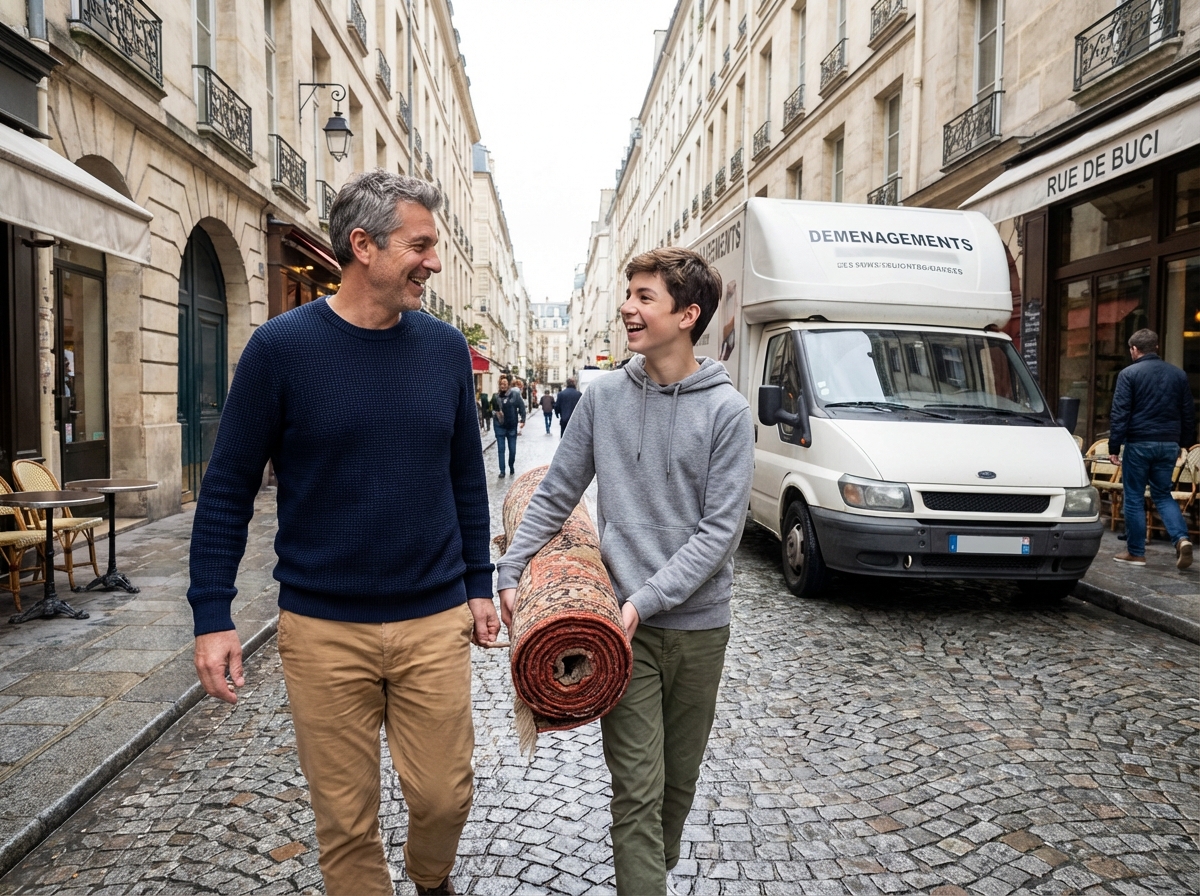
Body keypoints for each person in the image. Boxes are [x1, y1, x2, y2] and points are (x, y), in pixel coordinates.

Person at [187, 170, 499, 896]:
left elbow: (465, 481)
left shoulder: (447, 351)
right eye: (419, 244)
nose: (434, 260)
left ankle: (430, 879)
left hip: (433, 620)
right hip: (321, 630)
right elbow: (228, 486)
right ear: (363, 245)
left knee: (444, 797)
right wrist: (212, 613)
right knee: (345, 822)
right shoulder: (280, 349)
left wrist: (479, 586)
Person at [496, 247, 754, 895]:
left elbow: (719, 534)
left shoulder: (727, 414)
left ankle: (648, 874)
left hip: (698, 631)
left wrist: (647, 599)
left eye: (644, 297)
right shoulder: (604, 396)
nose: (626, 307)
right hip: (624, 631)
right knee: (635, 790)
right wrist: (510, 568)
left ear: (687, 314)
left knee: (676, 786)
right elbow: (558, 492)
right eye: (628, 294)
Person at [1109, 328, 1195, 569]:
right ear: (1156, 347)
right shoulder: (1178, 375)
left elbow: (1120, 413)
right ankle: (1181, 539)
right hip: (1169, 443)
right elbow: (1188, 413)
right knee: (1162, 494)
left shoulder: (1128, 374)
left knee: (1134, 497)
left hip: (1139, 442)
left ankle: (1136, 553)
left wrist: (1114, 446)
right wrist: (1184, 444)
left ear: (1134, 350)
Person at [493, 375, 526, 477]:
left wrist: (523, 419)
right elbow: (492, 410)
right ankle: (502, 471)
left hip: (511, 426)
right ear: (499, 385)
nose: (503, 386)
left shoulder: (514, 394)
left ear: (508, 385)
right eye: (501, 384)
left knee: (512, 450)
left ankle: (511, 465)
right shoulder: (495, 396)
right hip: (499, 426)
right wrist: (496, 413)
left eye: (505, 384)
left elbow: (521, 407)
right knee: (501, 450)